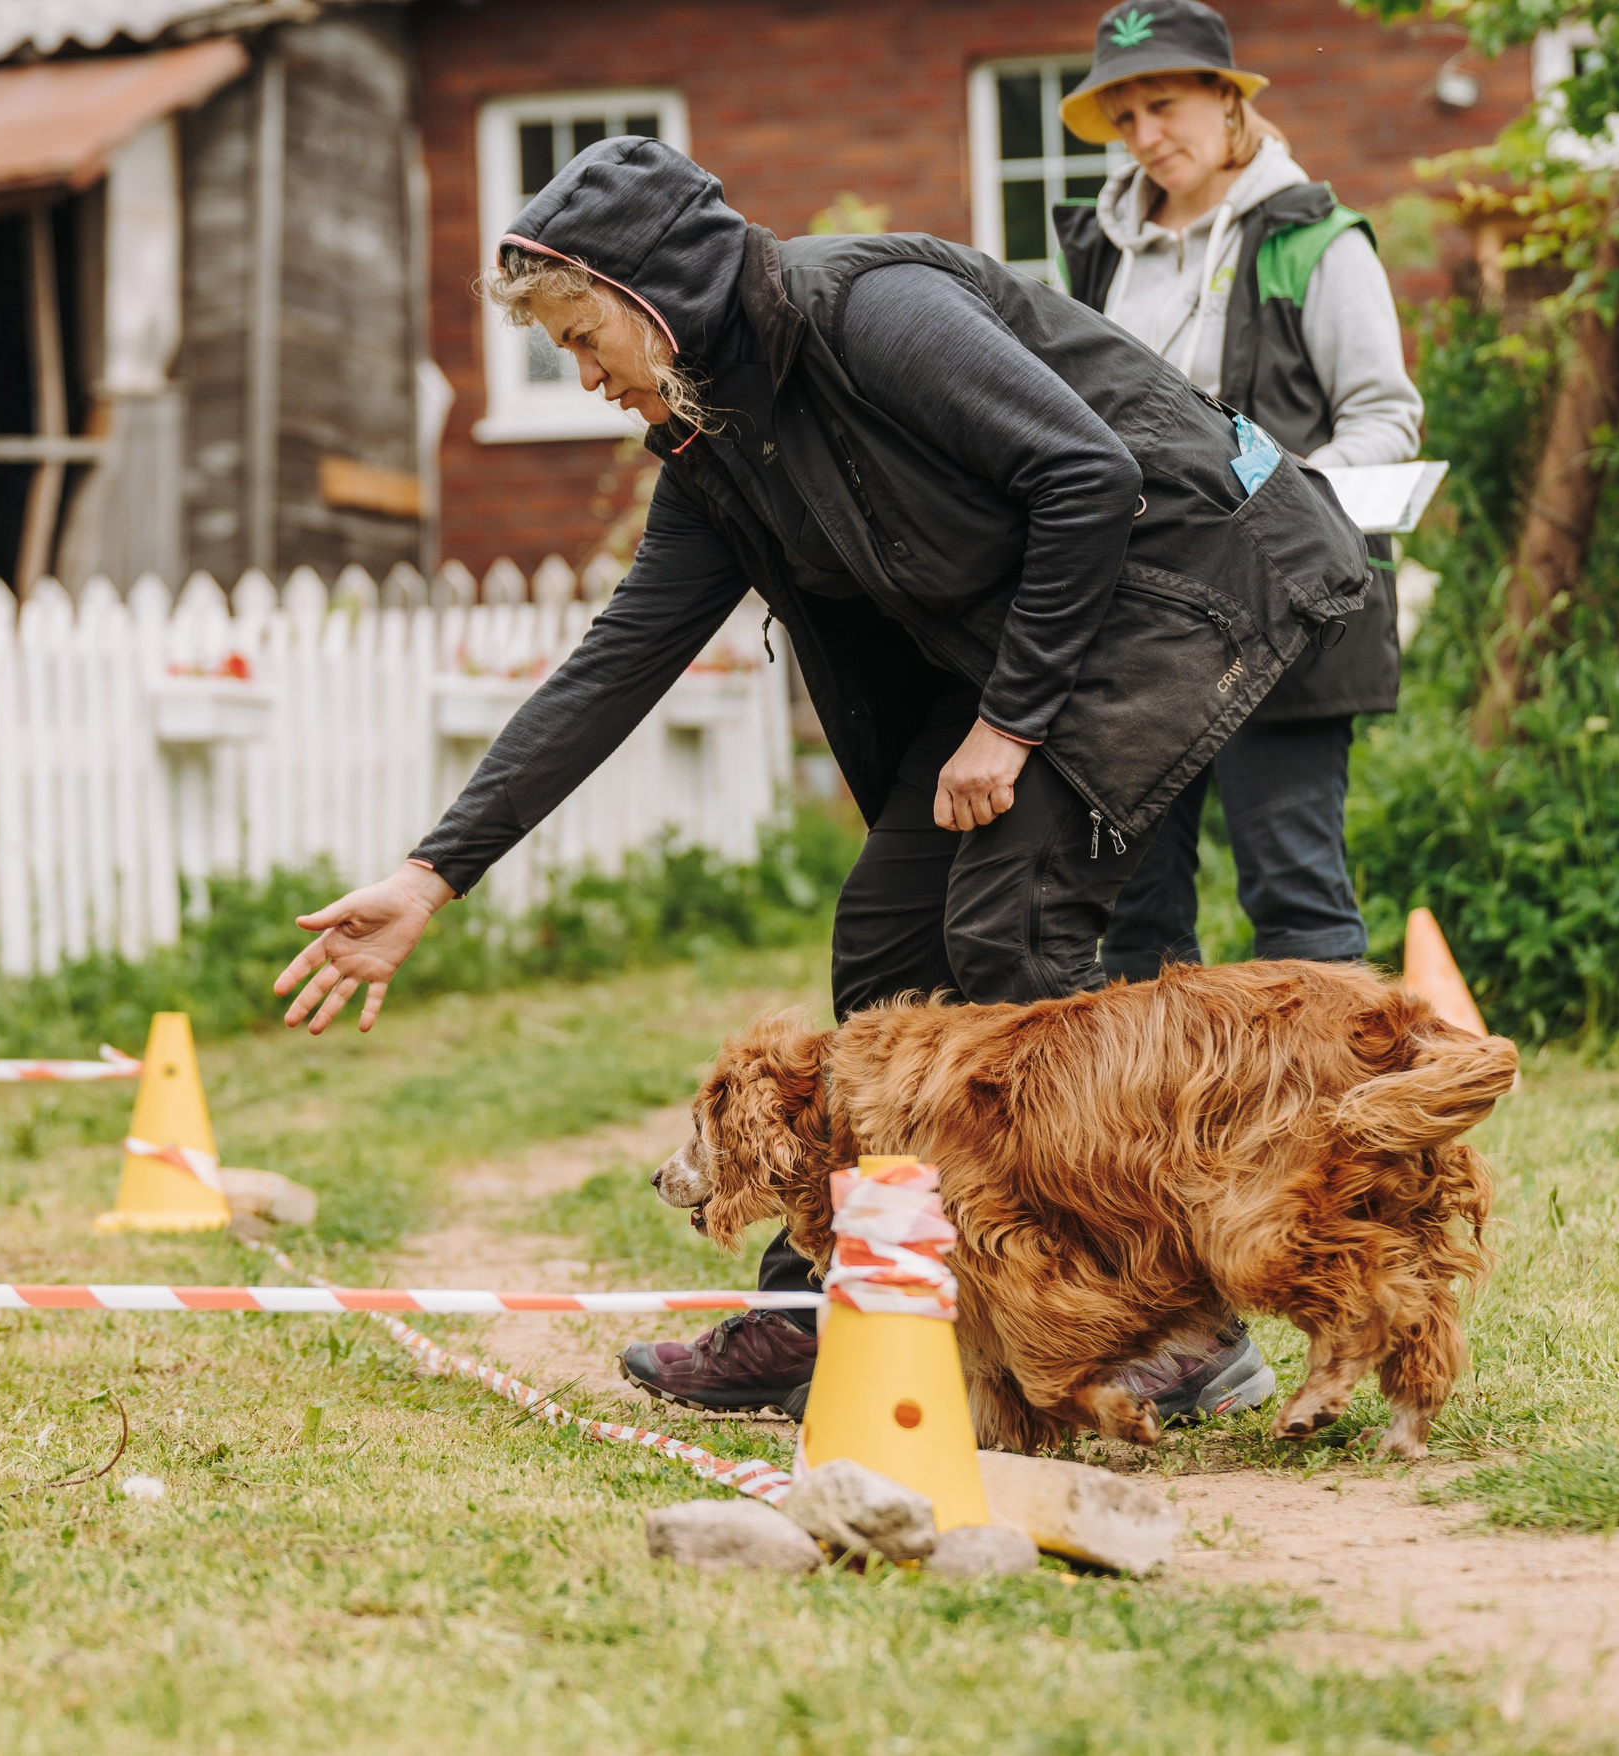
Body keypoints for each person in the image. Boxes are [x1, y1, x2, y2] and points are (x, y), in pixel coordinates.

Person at [268, 135, 1368, 1420]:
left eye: (582, 342)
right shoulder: (713, 446)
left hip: (1171, 577)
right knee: (890, 943)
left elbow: (1087, 476)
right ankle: (831, 1306)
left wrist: (1007, 728)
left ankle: (1167, 1327)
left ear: (649, 299)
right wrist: (431, 873)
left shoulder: (871, 311)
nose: (583, 379)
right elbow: (614, 666)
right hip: (1038, 626)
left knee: (1009, 935)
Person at [1051, 0, 1421, 986]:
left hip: (1285, 615)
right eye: (1122, 120)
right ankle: (1161, 1140)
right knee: (1136, 922)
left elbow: (1385, 420)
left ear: (1227, 99)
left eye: (1162, 105)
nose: (1143, 138)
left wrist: (1274, 508)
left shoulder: (1315, 240)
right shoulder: (1094, 255)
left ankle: (1340, 1133)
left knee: (1294, 899)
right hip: (1137, 625)